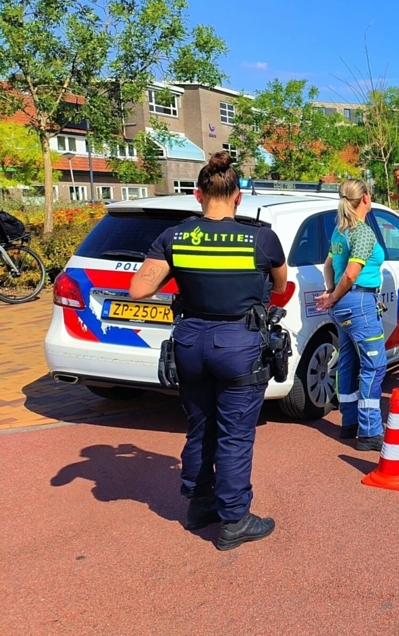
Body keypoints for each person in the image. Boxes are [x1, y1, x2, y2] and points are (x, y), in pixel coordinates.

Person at [129, 151, 285, 551]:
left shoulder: (176, 236)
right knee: (235, 435)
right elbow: (280, 287)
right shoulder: (261, 237)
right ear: (238, 197)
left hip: (190, 344)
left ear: (197, 194)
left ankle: (200, 506)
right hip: (238, 346)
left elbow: (139, 289)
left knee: (201, 426)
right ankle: (235, 520)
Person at [316, 180, 388, 451]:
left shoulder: (340, 230)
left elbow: (328, 265)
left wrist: (331, 292)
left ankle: (349, 422)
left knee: (348, 361)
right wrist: (333, 295)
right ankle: (370, 432)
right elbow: (351, 273)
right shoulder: (363, 232)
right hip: (359, 302)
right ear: (366, 198)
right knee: (374, 366)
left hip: (344, 304)